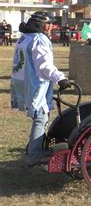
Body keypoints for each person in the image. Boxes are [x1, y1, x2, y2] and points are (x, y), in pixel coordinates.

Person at [10, 11, 71, 166]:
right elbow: (44, 66)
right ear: (43, 25)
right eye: (49, 24)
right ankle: (34, 154)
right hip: (33, 81)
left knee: (39, 115)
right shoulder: (39, 39)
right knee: (40, 117)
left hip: (20, 79)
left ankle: (34, 147)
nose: (51, 27)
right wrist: (60, 78)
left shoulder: (24, 37)